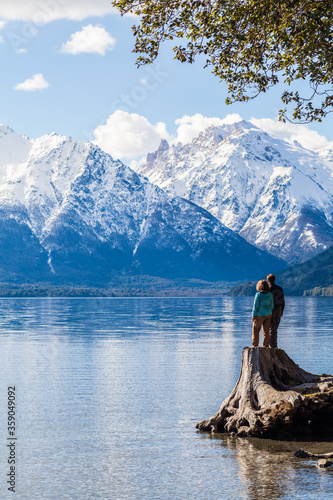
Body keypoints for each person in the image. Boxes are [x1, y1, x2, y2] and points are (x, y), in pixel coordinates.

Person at [252, 279, 274, 347]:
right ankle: (266, 345)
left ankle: (255, 345)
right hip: (268, 314)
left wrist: (253, 315)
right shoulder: (270, 294)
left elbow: (255, 306)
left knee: (256, 330)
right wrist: (268, 310)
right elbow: (272, 305)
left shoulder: (258, 295)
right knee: (266, 331)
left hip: (259, 315)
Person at [267, 274, 285, 348]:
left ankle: (271, 345)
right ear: (274, 280)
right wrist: (282, 311)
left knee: (270, 327)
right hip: (278, 309)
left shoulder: (267, 289)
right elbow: (283, 301)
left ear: (268, 281)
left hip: (270, 310)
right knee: (274, 328)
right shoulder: (279, 288)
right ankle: (274, 345)